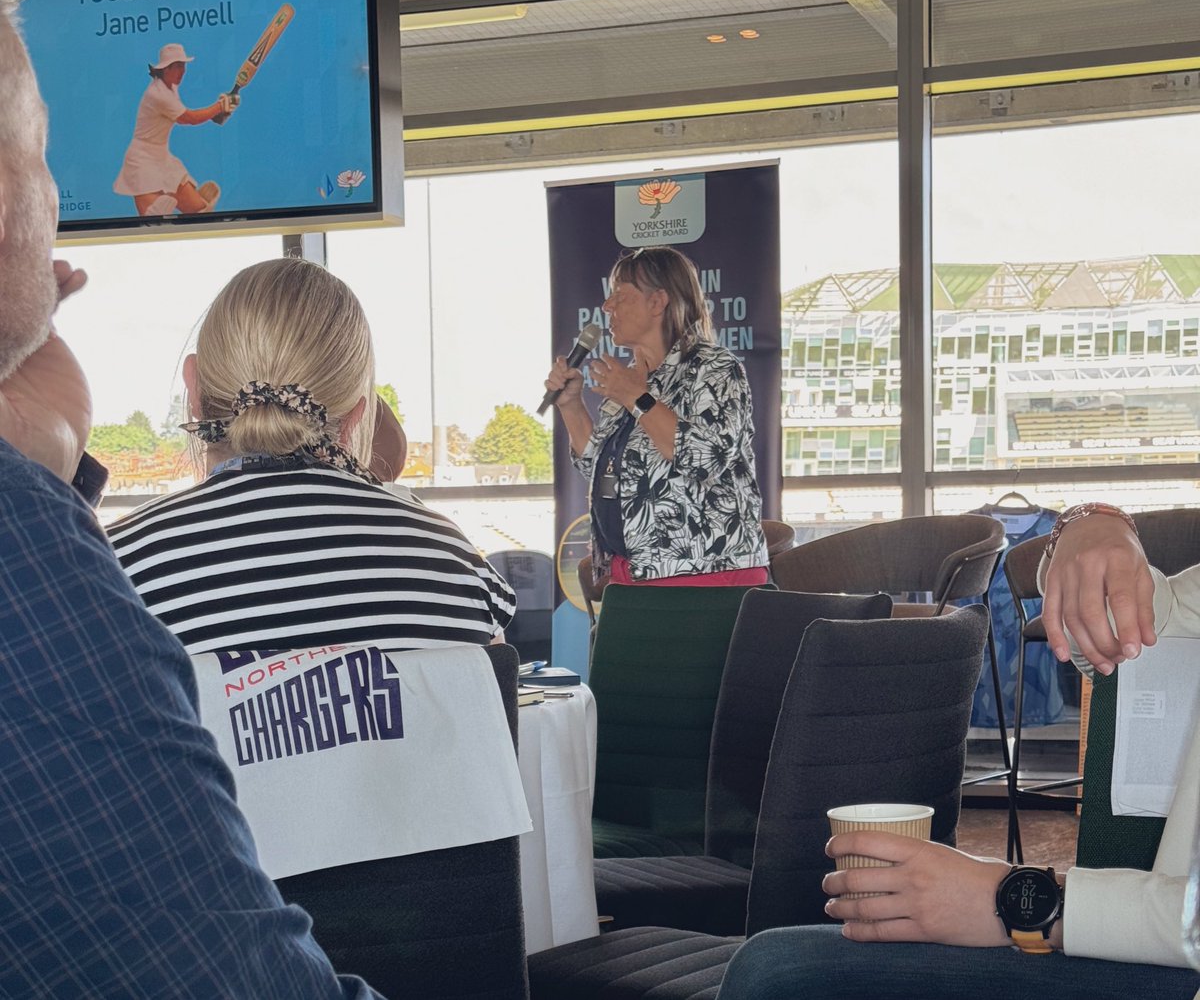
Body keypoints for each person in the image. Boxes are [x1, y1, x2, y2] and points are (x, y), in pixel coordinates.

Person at [0, 0, 382, 997]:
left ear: (196, 388)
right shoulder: (24, 560)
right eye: (35, 155)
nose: (57, 196)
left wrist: (39, 458)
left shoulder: (88, 544)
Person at [715, 504, 1200, 1000]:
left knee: (775, 971)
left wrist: (1014, 901)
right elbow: (1122, 626)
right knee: (775, 963)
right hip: (1154, 935)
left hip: (1169, 954)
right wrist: (1092, 527)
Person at [107, 255, 515, 654]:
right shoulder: (450, 562)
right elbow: (490, 710)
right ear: (358, 415)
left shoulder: (114, 572)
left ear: (193, 389)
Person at [544, 245, 769, 586]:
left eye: (620, 296)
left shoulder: (714, 368)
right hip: (634, 572)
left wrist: (636, 397)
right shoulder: (632, 377)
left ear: (657, 302)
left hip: (705, 572)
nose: (607, 306)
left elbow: (704, 459)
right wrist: (571, 405)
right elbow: (597, 468)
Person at [113, 42, 234, 216]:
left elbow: (190, 116)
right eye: (178, 66)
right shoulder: (158, 95)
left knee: (200, 210)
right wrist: (219, 107)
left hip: (162, 158)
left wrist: (220, 112)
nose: (183, 71)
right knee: (152, 219)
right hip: (141, 160)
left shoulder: (171, 88)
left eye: (183, 66)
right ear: (165, 69)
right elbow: (189, 118)